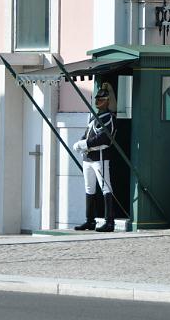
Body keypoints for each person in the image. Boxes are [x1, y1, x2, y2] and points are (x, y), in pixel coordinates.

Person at [72, 82, 117, 232]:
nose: (98, 101)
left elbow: (104, 138)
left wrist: (85, 144)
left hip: (100, 156)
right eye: (97, 99)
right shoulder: (94, 117)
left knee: (106, 188)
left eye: (102, 99)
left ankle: (109, 222)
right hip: (88, 157)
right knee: (89, 188)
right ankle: (89, 221)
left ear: (108, 101)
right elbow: (88, 134)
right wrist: (80, 143)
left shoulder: (108, 118)